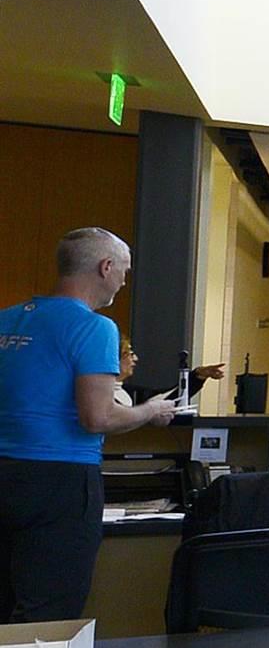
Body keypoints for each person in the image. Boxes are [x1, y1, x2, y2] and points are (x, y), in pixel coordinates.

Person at [0, 227, 175, 622]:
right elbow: (97, 416)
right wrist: (150, 411)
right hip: (58, 482)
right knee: (46, 613)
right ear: (105, 266)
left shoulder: (7, 321)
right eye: (124, 271)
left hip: (5, 470)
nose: (124, 281)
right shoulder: (95, 327)